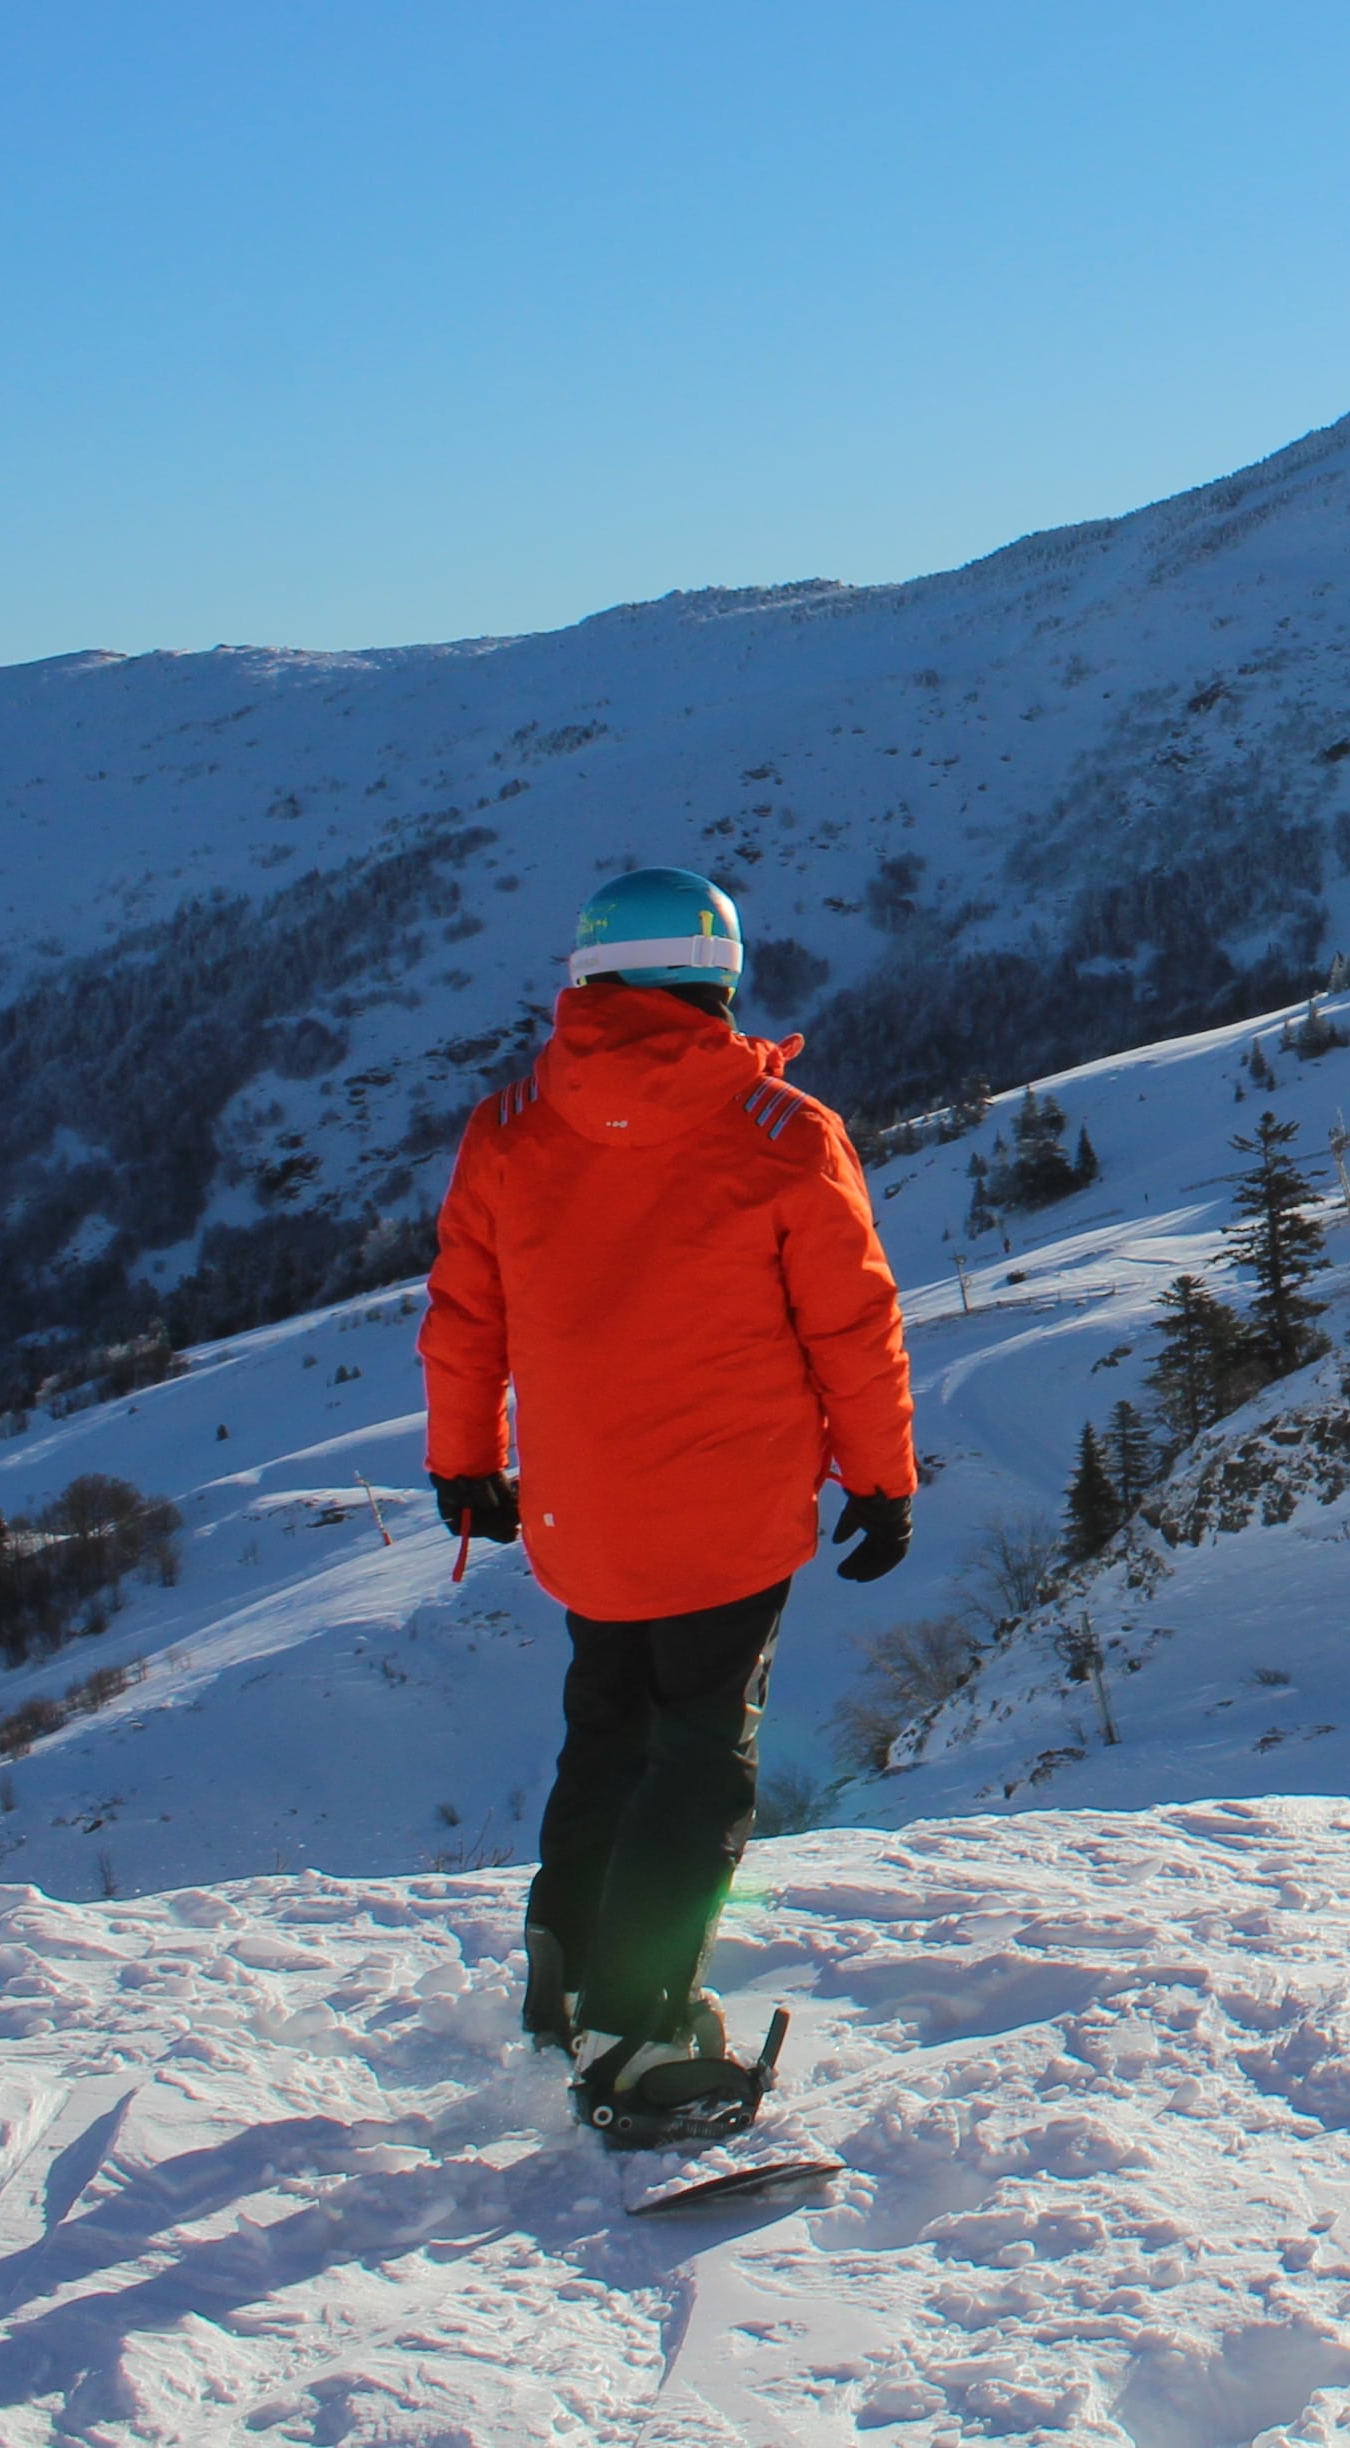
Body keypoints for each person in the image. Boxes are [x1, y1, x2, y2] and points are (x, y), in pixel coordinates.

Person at [420, 864, 919, 2142]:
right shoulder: (778, 1131)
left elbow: (465, 1315)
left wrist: (465, 1459)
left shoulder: (511, 1126)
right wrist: (882, 1477)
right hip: (729, 1512)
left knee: (609, 1731)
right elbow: (852, 1327)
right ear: (719, 979)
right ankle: (640, 2031)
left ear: (588, 978)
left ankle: (564, 1969)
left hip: (578, 1516)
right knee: (700, 1759)